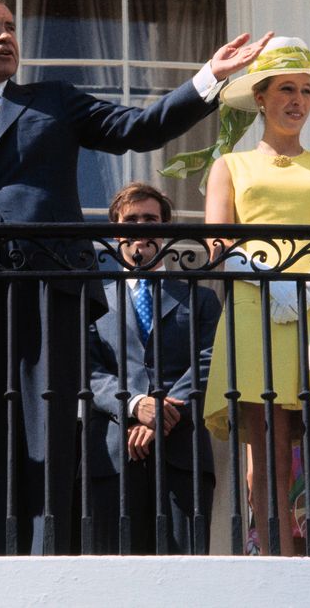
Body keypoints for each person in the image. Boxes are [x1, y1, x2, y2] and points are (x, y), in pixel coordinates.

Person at [0, 0, 269, 556]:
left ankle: (41, 565)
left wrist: (207, 80)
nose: (6, 36)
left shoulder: (54, 101)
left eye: (10, 27)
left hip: (53, 297)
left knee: (49, 443)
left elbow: (140, 129)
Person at [195, 35, 310, 557]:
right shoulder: (229, 166)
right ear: (261, 98)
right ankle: (278, 565)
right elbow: (216, 242)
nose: (297, 101)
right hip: (255, 308)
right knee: (266, 455)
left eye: (304, 91)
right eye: (285, 90)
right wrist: (267, 278)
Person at [86, 183, 220, 554]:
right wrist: (134, 405)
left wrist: (161, 412)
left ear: (163, 229)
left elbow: (209, 359)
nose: (141, 228)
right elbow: (88, 370)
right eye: (131, 220)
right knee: (115, 576)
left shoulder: (200, 297)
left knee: (184, 573)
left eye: (150, 219)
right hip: (114, 455)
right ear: (117, 232)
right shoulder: (95, 300)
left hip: (182, 455)